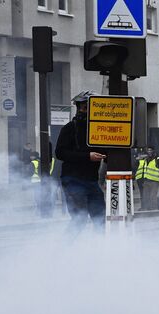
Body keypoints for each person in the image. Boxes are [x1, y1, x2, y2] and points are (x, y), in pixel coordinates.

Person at [55, 90, 107, 235]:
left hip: (91, 181)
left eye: (89, 108)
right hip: (73, 180)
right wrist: (87, 156)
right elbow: (60, 153)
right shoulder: (70, 128)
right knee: (80, 218)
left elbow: (107, 152)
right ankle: (63, 251)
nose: (84, 111)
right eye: (82, 107)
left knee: (100, 218)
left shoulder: (99, 130)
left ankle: (100, 250)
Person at [134, 146, 159, 211]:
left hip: (154, 180)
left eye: (150, 150)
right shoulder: (145, 159)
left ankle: (153, 208)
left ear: (153, 151)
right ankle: (146, 207)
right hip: (146, 180)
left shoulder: (157, 159)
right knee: (145, 195)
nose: (149, 151)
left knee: (153, 196)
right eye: (148, 150)